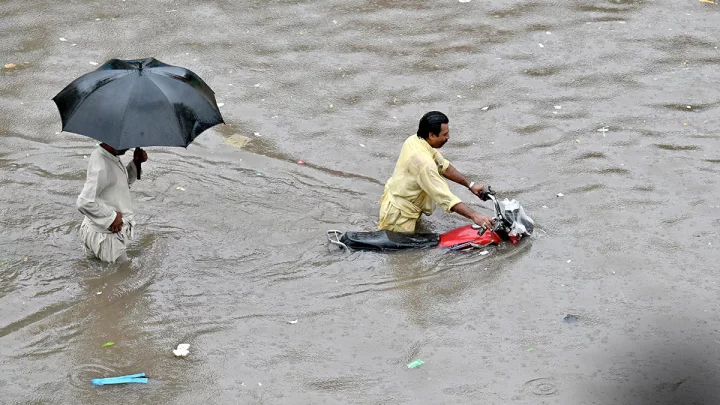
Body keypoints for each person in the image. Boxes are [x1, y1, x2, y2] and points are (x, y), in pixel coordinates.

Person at [378, 111, 494, 233]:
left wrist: (470, 185)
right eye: (445, 134)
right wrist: (475, 216)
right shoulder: (424, 163)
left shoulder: (415, 140)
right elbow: (445, 197)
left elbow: (443, 166)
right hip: (399, 216)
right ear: (432, 135)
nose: (448, 137)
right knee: (404, 251)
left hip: (399, 203)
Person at [76, 143, 148, 263]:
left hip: (95, 230)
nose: (129, 145)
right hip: (107, 238)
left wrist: (136, 163)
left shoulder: (104, 155)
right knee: (122, 275)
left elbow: (118, 184)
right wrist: (112, 217)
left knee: (97, 274)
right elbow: (83, 202)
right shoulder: (102, 167)